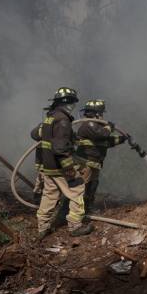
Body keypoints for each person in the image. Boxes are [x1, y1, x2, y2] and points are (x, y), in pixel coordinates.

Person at [30, 87, 93, 239]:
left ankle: (42, 228)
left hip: (48, 167)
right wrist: (70, 170)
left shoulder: (50, 117)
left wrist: (72, 139)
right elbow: (59, 148)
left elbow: (40, 135)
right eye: (72, 103)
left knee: (49, 196)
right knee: (77, 190)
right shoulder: (63, 120)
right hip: (60, 167)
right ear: (67, 103)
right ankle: (75, 226)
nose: (73, 106)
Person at [73, 99, 130, 213]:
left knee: (92, 186)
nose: (103, 116)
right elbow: (101, 134)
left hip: (95, 164)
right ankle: (73, 213)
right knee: (81, 188)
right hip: (85, 163)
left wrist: (123, 138)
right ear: (97, 113)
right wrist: (109, 127)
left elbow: (106, 142)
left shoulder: (97, 126)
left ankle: (88, 208)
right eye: (102, 113)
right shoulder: (88, 125)